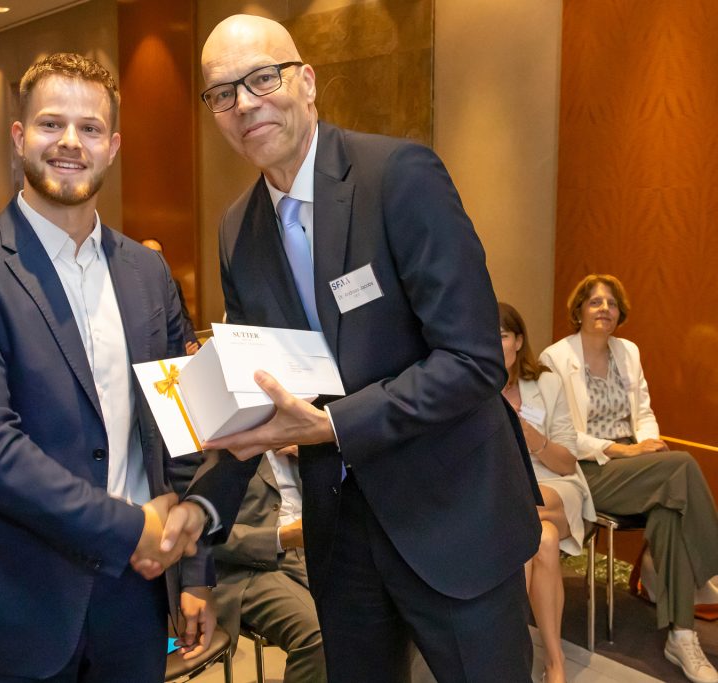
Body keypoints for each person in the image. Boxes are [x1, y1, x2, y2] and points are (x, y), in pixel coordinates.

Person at [199, 15, 541, 681]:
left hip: (452, 515)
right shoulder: (236, 230)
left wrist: (333, 425)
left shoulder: (398, 176)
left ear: (306, 82)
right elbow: (250, 388)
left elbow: (473, 358)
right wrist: (198, 514)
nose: (244, 104)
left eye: (262, 78)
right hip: (341, 535)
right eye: (221, 92)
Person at [0, 52, 258, 681]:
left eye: (90, 128)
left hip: (136, 596)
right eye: (51, 124)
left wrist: (194, 571)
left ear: (112, 146)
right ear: (20, 136)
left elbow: (177, 431)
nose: (70, 142)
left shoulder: (147, 272)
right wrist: (132, 528)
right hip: (17, 597)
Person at [541, 274, 718, 683]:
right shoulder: (556, 358)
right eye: (595, 302)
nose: (604, 308)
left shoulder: (628, 352)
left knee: (670, 510)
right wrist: (626, 452)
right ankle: (709, 570)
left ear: (620, 313)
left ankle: (682, 636)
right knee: (682, 466)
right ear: (579, 311)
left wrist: (648, 445)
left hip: (636, 467)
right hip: (588, 468)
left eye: (612, 303)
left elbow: (644, 412)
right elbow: (564, 436)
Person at [499, 302, 595, 683]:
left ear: (519, 341)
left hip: (555, 483)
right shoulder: (474, 388)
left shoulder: (547, 383)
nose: (494, 344)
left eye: (502, 336)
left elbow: (568, 461)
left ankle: (508, 652)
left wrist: (530, 435)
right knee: (544, 540)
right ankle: (555, 661)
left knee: (523, 515)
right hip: (508, 491)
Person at [212, 446, 326, 682]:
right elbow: (200, 532)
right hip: (248, 567)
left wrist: (316, 454)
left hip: (321, 547)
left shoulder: (303, 431)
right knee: (318, 635)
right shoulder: (205, 439)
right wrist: (282, 537)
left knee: (390, 607)